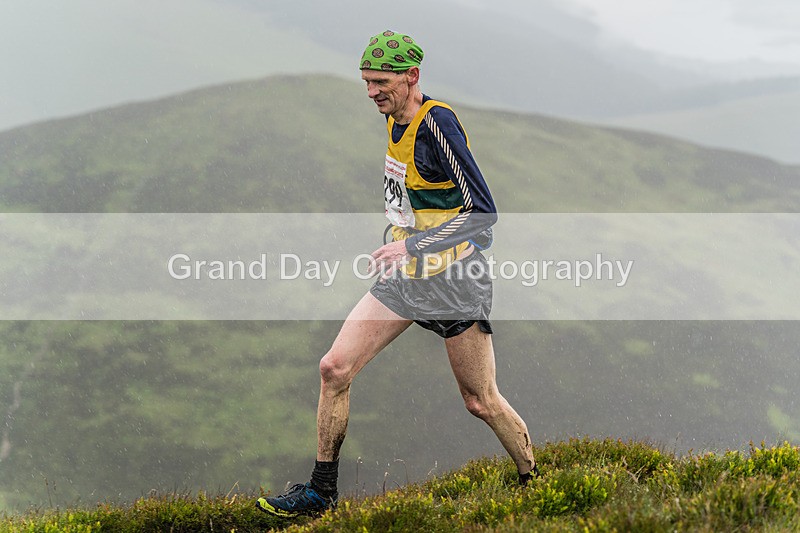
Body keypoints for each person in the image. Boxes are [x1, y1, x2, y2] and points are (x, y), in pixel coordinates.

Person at [257, 30, 538, 518]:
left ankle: (534, 484)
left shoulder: (437, 125)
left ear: (412, 77)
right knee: (334, 368)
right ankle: (320, 494)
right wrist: (401, 244)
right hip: (406, 275)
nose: (371, 92)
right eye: (366, 83)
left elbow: (483, 213)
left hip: (456, 280)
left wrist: (411, 244)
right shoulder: (394, 118)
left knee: (481, 400)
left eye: (380, 82)